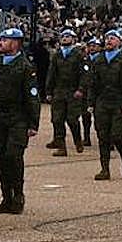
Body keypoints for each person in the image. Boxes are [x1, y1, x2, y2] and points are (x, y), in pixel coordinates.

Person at [0, 27, 39, 212]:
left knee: (13, 156)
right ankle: (6, 197)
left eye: (4, 40)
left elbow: (32, 96)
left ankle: (18, 196)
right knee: (0, 157)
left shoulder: (25, 66)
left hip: (19, 115)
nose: (1, 43)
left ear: (15, 43)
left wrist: (33, 123)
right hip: (1, 114)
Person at [88, 29, 122, 181]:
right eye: (107, 38)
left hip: (118, 103)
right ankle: (104, 169)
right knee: (103, 136)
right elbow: (93, 83)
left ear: (119, 42)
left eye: (113, 38)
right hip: (102, 102)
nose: (109, 41)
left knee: (116, 134)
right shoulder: (99, 60)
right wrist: (91, 103)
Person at [44, 29, 86, 157]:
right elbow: (51, 73)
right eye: (63, 36)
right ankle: (61, 146)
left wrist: (81, 89)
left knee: (72, 119)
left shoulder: (78, 54)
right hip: (59, 90)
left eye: (68, 36)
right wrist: (49, 91)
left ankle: (78, 141)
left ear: (73, 39)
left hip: (73, 91)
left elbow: (84, 74)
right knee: (57, 119)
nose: (65, 38)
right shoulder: (57, 55)